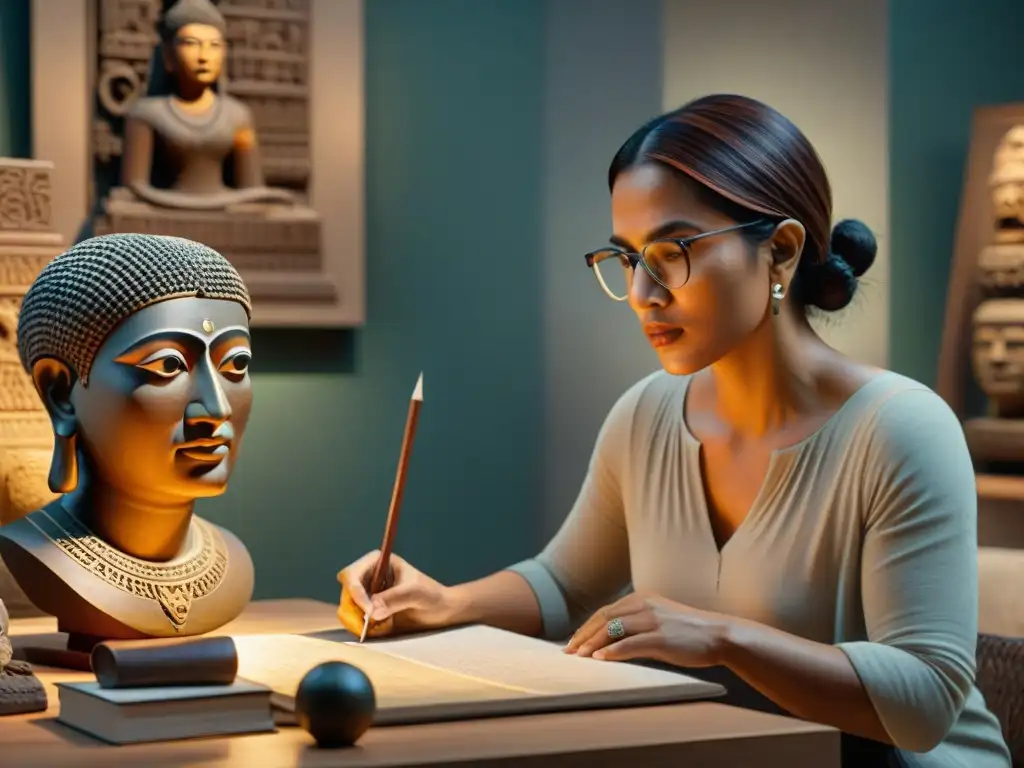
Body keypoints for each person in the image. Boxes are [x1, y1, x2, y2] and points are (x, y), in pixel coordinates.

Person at [337, 94, 1011, 767]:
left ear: (778, 252)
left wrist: (721, 638)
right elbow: (568, 587)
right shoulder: (647, 415)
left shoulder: (900, 430)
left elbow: (924, 702)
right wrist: (445, 603)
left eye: (672, 251)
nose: (641, 293)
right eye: (627, 258)